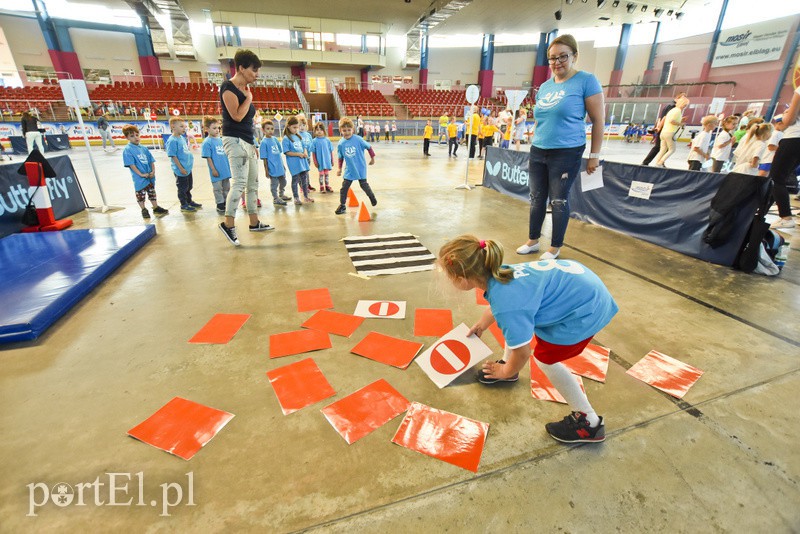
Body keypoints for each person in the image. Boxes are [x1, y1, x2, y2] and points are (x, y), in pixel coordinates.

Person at [438, 235, 617, 443]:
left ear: (462, 279)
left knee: (544, 359)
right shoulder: (499, 271)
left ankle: (589, 422)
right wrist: (482, 324)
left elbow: (522, 352)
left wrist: (506, 371)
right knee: (515, 329)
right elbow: (506, 308)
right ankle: (509, 368)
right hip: (584, 289)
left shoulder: (506, 303)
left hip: (586, 311)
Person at [516, 34, 604, 260]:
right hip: (539, 149)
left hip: (567, 151)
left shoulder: (586, 80)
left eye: (563, 57)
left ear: (574, 56)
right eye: (552, 58)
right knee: (536, 198)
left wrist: (594, 155)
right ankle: (533, 240)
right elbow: (542, 118)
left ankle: (555, 247)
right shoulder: (545, 87)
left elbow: (598, 120)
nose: (557, 62)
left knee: (558, 200)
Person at [218, 50, 274, 246]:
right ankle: (228, 224)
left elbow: (248, 123)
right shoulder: (228, 88)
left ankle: (254, 222)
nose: (256, 74)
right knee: (239, 183)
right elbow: (236, 116)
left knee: (252, 185)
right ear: (241, 68)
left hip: (247, 142)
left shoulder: (245, 90)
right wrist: (249, 99)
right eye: (254, 70)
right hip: (233, 141)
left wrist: (253, 144)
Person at [769, 85, 800, 229]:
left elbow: (789, 121)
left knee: (776, 178)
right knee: (782, 175)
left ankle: (786, 217)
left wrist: (786, 115)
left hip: (794, 138)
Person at [121, 124, 168, 219]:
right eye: (132, 136)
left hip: (149, 176)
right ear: (127, 137)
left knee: (152, 193)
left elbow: (151, 161)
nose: (136, 138)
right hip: (139, 178)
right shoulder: (128, 150)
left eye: (137, 135)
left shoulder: (144, 148)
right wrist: (141, 174)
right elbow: (131, 165)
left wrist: (153, 171)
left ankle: (155, 207)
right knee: (140, 195)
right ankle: (143, 209)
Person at [334, 117, 376, 215]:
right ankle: (342, 205)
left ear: (353, 129)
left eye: (349, 130)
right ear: (340, 130)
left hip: (360, 167)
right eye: (344, 130)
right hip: (349, 169)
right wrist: (339, 169)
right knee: (344, 188)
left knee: (364, 185)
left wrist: (372, 158)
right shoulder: (341, 143)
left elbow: (369, 147)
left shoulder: (358, 139)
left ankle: (372, 197)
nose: (347, 132)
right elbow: (340, 157)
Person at [165, 117, 200, 213]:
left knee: (189, 186)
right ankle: (184, 204)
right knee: (182, 188)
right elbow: (173, 156)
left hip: (187, 168)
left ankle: (189, 201)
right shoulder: (172, 141)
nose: (184, 129)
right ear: (173, 127)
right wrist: (180, 168)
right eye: (181, 126)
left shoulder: (181, 138)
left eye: (184, 127)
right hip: (181, 170)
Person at [642, 92, 687, 165]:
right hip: (666, 129)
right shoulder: (673, 107)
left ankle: (656, 163)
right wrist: (658, 127)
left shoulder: (670, 106)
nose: (684, 99)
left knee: (662, 148)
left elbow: (663, 118)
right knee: (662, 148)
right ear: (678, 98)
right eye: (683, 97)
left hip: (664, 129)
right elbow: (666, 118)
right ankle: (653, 163)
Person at [201, 116, 232, 214]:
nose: (217, 130)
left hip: (225, 169)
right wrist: (213, 169)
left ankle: (227, 202)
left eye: (218, 128)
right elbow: (208, 157)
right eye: (214, 128)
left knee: (226, 187)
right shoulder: (207, 142)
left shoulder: (221, 140)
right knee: (218, 188)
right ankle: (220, 204)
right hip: (216, 170)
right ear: (207, 129)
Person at [259, 120, 290, 206]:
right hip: (272, 168)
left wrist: (283, 165)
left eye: (272, 129)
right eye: (268, 129)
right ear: (263, 130)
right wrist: (266, 170)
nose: (270, 131)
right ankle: (276, 198)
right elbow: (264, 158)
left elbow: (279, 154)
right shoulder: (263, 143)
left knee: (283, 182)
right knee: (274, 184)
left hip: (279, 166)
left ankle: (281, 194)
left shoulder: (275, 140)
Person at [283, 116, 312, 204]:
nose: (296, 129)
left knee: (304, 179)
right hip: (294, 163)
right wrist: (298, 154)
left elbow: (304, 147)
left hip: (302, 162)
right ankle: (296, 198)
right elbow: (287, 152)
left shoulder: (299, 137)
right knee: (295, 180)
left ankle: (306, 196)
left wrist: (305, 152)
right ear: (288, 126)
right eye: (294, 127)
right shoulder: (286, 138)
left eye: (297, 127)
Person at [654, 95, 689, 167]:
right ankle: (661, 162)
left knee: (663, 149)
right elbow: (672, 121)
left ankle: (657, 163)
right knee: (672, 149)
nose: (685, 107)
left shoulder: (672, 110)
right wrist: (681, 124)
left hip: (663, 132)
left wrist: (680, 120)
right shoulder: (678, 111)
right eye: (685, 105)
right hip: (670, 132)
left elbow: (666, 119)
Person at [310, 122, 334, 193]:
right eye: (317, 130)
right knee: (321, 174)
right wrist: (315, 162)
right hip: (320, 161)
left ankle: (327, 186)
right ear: (315, 131)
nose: (319, 131)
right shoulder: (314, 141)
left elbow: (330, 151)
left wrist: (332, 160)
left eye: (321, 129)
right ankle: (321, 187)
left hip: (327, 160)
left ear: (324, 130)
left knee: (326, 173)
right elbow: (313, 153)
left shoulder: (327, 140)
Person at [297, 115, 316, 190]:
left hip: (308, 157)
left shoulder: (308, 135)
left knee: (306, 172)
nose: (302, 127)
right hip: (300, 157)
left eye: (303, 125)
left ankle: (307, 184)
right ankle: (302, 186)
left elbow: (311, 145)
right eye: (299, 125)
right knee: (301, 172)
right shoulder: (297, 135)